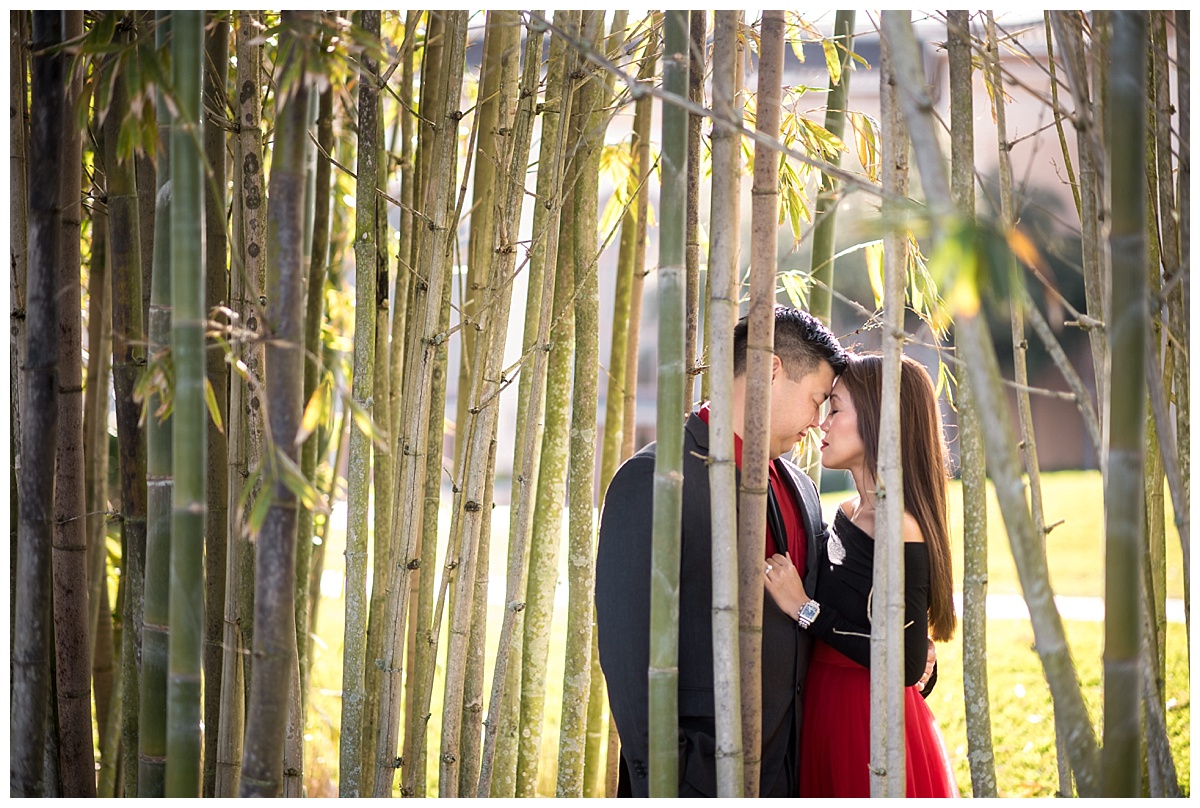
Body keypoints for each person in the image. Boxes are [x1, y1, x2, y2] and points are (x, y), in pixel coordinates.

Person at [594, 306, 849, 797]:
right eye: (817, 400)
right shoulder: (654, 480)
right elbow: (630, 661)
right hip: (700, 780)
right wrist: (673, 784)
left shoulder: (801, 486)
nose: (818, 423)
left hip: (791, 775)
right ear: (770, 370)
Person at [762, 352, 958, 798]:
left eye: (834, 408)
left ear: (878, 420)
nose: (820, 424)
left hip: (866, 720)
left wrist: (803, 608)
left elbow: (907, 665)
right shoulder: (847, 511)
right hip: (825, 708)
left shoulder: (900, 525)